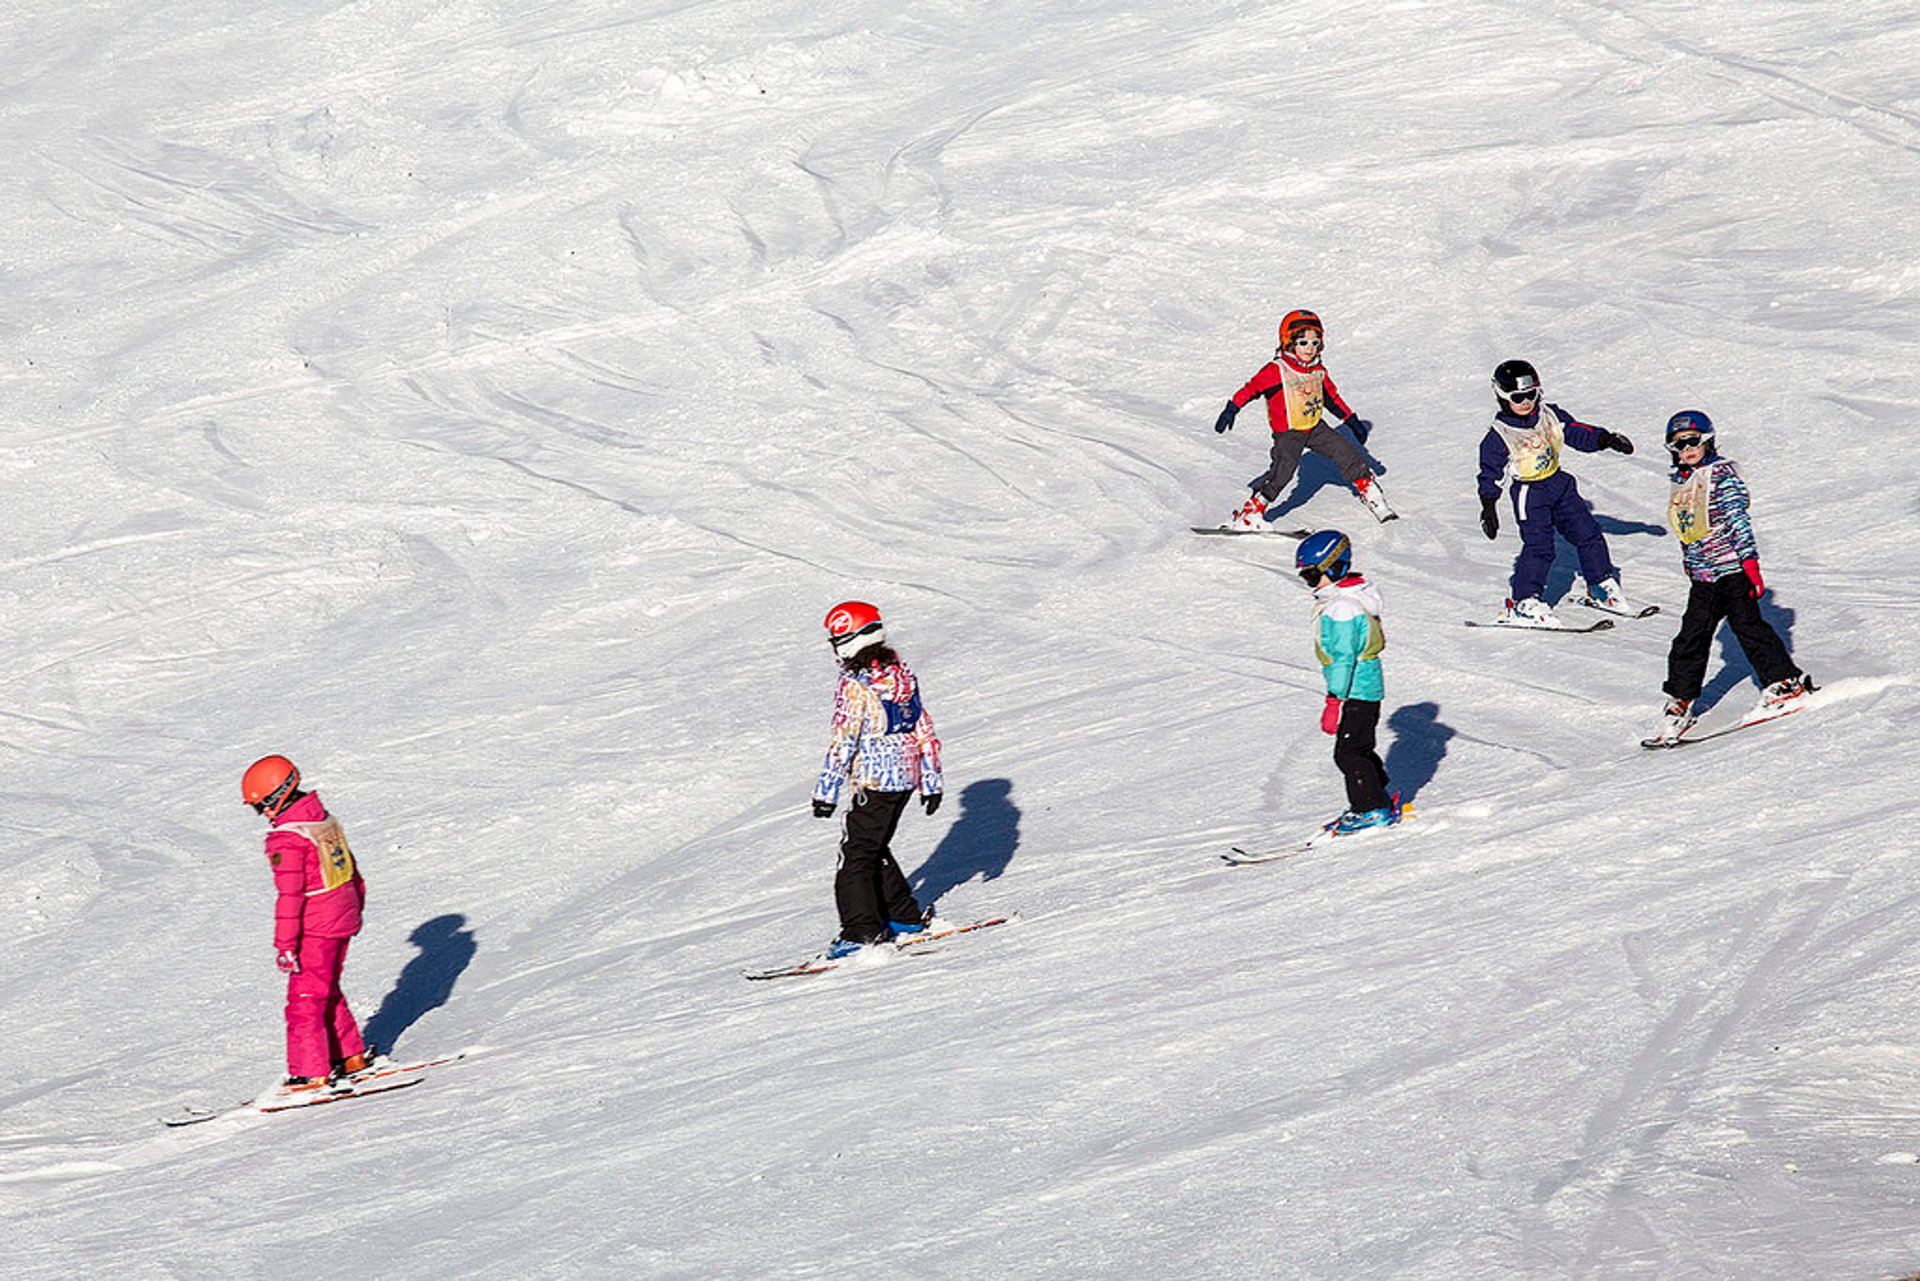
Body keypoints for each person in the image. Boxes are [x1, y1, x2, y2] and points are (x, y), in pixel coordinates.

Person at [1652, 411, 1810, 739]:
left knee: (1748, 627)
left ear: (1707, 440)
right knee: (1690, 636)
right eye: (1678, 445)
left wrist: (1750, 564)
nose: (1686, 450)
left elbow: (1738, 521)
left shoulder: (1721, 475)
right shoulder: (1681, 479)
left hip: (1734, 569)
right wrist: (1690, 561)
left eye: (1692, 442)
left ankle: (1785, 683)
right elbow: (1688, 529)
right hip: (1704, 576)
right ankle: (1681, 700)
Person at [811, 602, 944, 958]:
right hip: (905, 778)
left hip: (874, 780)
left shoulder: (856, 685)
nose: (834, 646)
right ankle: (903, 917)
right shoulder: (900, 675)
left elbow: (844, 738)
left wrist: (826, 791)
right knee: (873, 846)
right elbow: (922, 727)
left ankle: (861, 932)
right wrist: (930, 781)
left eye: (837, 638)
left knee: (854, 855)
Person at [242, 755, 371, 1091]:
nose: (262, 816)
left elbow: (291, 897)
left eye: (260, 807)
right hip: (342, 915)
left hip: (317, 925)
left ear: (276, 798)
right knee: (325, 989)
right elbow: (351, 871)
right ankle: (349, 1056)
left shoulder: (287, 838)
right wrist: (355, 907)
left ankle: (311, 1071)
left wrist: (285, 945)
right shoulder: (323, 820)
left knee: (304, 1000)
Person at [1476, 359, 1636, 624]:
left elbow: (1576, 432)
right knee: (1539, 547)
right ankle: (1524, 601)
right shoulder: (1500, 435)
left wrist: (1605, 439)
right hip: (1530, 494)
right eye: (1518, 397)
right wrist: (1488, 506)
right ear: (1503, 397)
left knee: (1589, 534)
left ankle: (1600, 585)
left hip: (1559, 485)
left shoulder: (1549, 415)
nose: (1526, 402)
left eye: (1531, 394)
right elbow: (1490, 474)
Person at [1212, 310, 1393, 528]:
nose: (1310, 348)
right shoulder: (1277, 370)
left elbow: (1332, 399)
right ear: (1289, 343)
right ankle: (1252, 511)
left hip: (1315, 427)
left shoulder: (1318, 370)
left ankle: (1371, 493)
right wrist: (1232, 408)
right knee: (1283, 470)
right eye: (1303, 342)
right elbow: (1252, 389)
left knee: (1346, 453)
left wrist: (1351, 420)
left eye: (1315, 342)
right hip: (1288, 432)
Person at [1297, 531, 1396, 833]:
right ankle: (1377, 794)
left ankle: (1370, 808)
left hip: (1356, 689)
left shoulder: (1343, 608)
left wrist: (1333, 700)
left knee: (1349, 753)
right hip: (1363, 687)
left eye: (1313, 576)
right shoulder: (1350, 598)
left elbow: (1343, 658)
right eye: (1306, 577)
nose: (1310, 583)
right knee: (1359, 747)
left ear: (1334, 568)